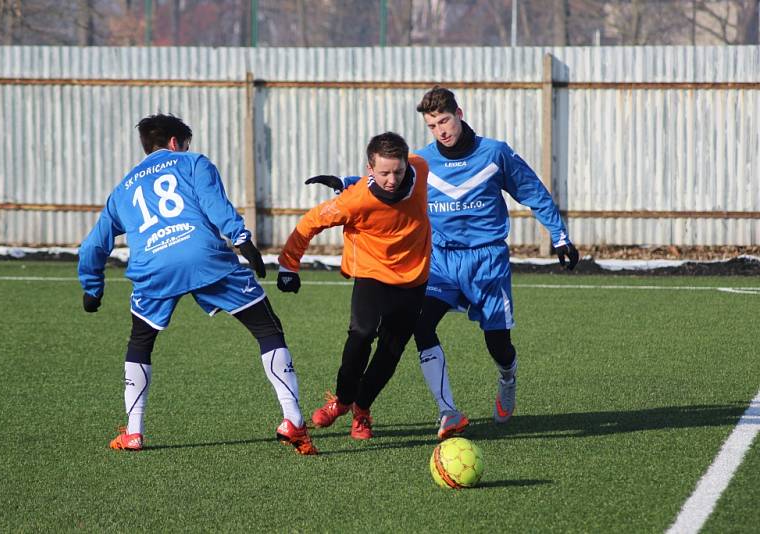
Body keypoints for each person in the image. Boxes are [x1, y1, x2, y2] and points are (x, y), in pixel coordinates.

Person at [306, 87, 579, 440]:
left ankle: (508, 374)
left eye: (445, 121)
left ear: (459, 113)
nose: (441, 130)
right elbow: (388, 182)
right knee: (420, 325)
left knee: (498, 344)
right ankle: (448, 411)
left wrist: (559, 235)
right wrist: (346, 183)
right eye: (432, 125)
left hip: (486, 262)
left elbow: (532, 191)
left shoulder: (495, 154)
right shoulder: (420, 162)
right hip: (439, 261)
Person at [78, 113, 316, 455]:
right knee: (267, 330)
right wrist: (243, 240)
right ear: (176, 143)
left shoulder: (123, 189)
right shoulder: (192, 162)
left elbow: (94, 244)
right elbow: (213, 204)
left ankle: (133, 432)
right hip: (204, 258)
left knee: (141, 341)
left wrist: (91, 286)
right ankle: (292, 419)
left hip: (153, 269)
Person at [277, 132, 431, 440]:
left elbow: (408, 168)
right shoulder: (355, 200)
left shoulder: (421, 168)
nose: (391, 179)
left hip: (414, 277)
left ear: (407, 164)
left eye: (397, 171)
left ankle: (362, 409)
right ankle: (343, 401)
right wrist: (288, 265)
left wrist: (347, 179)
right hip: (372, 273)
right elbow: (310, 222)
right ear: (370, 169)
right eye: (383, 172)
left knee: (391, 350)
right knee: (361, 334)